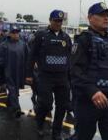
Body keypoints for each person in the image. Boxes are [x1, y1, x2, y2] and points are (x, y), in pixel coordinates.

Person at [71, 2, 108, 140]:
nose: (106, 18)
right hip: (87, 100)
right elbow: (74, 70)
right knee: (83, 137)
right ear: (90, 18)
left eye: (107, 15)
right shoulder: (84, 40)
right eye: (102, 15)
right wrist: (92, 91)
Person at [26, 10, 72, 140]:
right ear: (50, 20)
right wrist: (29, 74)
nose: (58, 23)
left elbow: (70, 58)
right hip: (45, 76)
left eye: (60, 21)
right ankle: (40, 125)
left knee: (61, 106)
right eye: (56, 21)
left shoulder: (66, 37)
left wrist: (70, 77)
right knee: (45, 104)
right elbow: (32, 55)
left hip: (62, 77)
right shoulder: (41, 35)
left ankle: (56, 133)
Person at [0, 25, 28, 118]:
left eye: (17, 32)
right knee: (12, 90)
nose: (16, 34)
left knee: (15, 90)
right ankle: (17, 109)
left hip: (19, 71)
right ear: (10, 34)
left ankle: (9, 102)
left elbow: (28, 55)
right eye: (13, 32)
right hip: (8, 71)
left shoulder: (22, 44)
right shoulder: (4, 45)